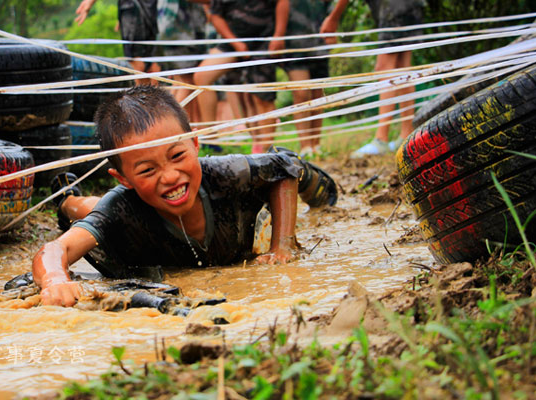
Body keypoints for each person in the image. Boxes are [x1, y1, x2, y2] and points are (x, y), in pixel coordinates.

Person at [33, 85, 338, 307]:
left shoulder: (223, 171)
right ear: (123, 177)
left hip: (148, 200)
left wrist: (282, 244)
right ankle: (67, 199)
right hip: (128, 208)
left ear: (195, 143)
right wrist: (55, 280)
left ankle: (78, 197)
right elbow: (54, 250)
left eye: (177, 156)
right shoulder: (121, 204)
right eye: (148, 169)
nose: (170, 176)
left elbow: (283, 170)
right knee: (98, 208)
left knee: (294, 167)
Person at [320, 0, 425, 158]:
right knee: (403, 66)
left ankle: (381, 139)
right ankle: (406, 135)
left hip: (393, 7)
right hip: (409, 5)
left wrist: (333, 18)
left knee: (385, 67)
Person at [192, 0, 289, 154]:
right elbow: (215, 15)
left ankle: (265, 150)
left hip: (264, 40)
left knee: (261, 96)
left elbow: (282, 2)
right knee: (202, 77)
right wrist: (236, 43)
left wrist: (279, 35)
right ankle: (210, 136)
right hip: (233, 40)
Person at [281, 0, 331, 159]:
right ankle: (305, 145)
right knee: (301, 93)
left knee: (318, 94)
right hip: (294, 43)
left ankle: (315, 143)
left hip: (319, 43)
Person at [75, 0, 161, 85]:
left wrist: (90, 1)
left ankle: (142, 96)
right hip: (144, 9)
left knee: (140, 64)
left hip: (138, 9)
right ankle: (145, 96)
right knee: (144, 64)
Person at [157, 0, 207, 122]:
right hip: (181, 32)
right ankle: (172, 124)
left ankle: (182, 127)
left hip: (173, 31)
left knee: (180, 82)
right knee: (186, 82)